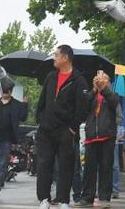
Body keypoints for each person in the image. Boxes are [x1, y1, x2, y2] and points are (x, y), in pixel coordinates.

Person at [36, 45, 89, 209]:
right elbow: (42, 100)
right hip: (46, 129)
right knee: (44, 164)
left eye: (56, 55)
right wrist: (40, 119)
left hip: (65, 130)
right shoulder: (50, 77)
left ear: (65, 58)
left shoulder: (79, 80)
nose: (54, 58)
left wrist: (72, 127)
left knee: (66, 166)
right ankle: (44, 199)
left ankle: (64, 200)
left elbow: (82, 107)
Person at [74, 72, 118, 209]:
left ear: (108, 82)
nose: (100, 80)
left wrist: (104, 89)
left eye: (104, 78)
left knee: (106, 167)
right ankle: (87, 197)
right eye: (98, 79)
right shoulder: (91, 95)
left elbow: (114, 103)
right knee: (89, 168)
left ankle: (105, 198)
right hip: (92, 136)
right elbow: (83, 107)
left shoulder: (111, 94)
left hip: (107, 136)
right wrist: (94, 90)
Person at [0, 83, 28, 202]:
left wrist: (25, 104)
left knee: (1, 166)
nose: (5, 91)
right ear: (0, 90)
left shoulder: (17, 105)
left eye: (7, 90)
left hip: (6, 140)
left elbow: (23, 117)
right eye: (3, 89)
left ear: (11, 91)